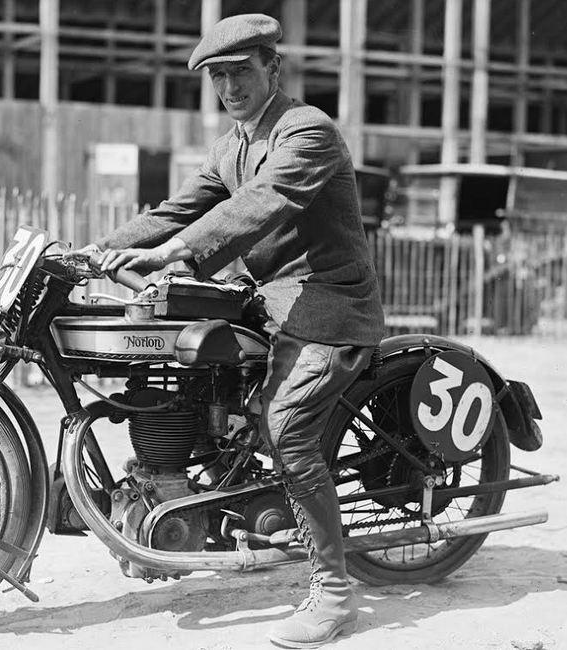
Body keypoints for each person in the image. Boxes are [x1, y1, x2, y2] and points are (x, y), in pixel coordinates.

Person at [83, 13, 385, 649]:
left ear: (273, 67)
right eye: (218, 77)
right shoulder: (232, 145)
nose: (229, 88)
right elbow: (177, 210)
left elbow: (260, 204)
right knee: (192, 367)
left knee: (286, 427)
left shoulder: (307, 130)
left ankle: (333, 594)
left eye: (240, 73)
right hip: (270, 303)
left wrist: (181, 252)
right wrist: (98, 251)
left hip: (329, 305)